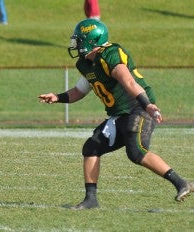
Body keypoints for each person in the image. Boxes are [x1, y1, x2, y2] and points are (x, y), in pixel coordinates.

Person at [38, 18, 193, 209]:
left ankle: (181, 183)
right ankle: (91, 200)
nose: (76, 44)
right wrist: (57, 97)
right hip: (118, 114)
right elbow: (80, 90)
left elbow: (128, 82)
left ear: (91, 40)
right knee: (91, 148)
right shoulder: (86, 63)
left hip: (138, 108)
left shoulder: (109, 55)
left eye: (79, 40)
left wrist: (148, 105)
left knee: (136, 152)